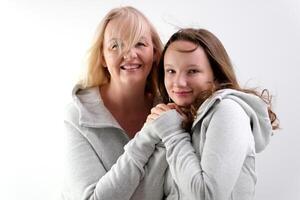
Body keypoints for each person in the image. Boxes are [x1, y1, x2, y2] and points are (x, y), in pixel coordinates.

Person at [146, 28, 279, 199]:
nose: (178, 82)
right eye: (171, 71)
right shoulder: (179, 118)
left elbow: (207, 195)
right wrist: (148, 136)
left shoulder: (228, 112)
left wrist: (172, 133)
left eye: (192, 71)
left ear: (216, 74)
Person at [62, 6, 167, 200]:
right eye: (115, 46)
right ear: (102, 57)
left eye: (140, 44)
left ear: (155, 53)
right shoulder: (78, 116)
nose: (129, 54)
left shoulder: (169, 111)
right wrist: (147, 137)